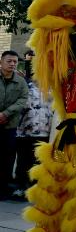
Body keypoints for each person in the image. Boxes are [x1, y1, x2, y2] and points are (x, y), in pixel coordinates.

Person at [0, 51, 29, 200]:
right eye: (9, 61)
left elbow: (23, 99)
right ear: (1, 62)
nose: (12, 64)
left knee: (7, 158)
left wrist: (6, 114)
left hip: (10, 125)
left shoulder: (21, 81)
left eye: (15, 62)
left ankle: (3, 188)